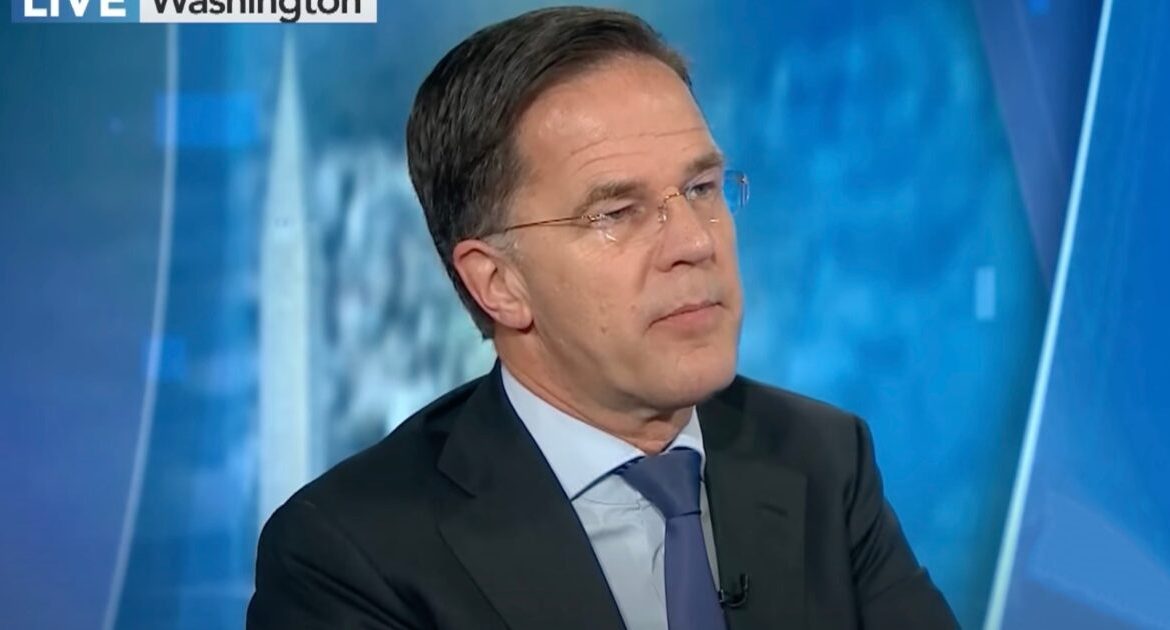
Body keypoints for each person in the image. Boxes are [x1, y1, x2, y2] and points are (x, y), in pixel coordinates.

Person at [247, 6, 957, 629]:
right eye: (616, 212)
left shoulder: (822, 458)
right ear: (499, 284)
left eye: (702, 187)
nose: (695, 242)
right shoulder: (351, 555)